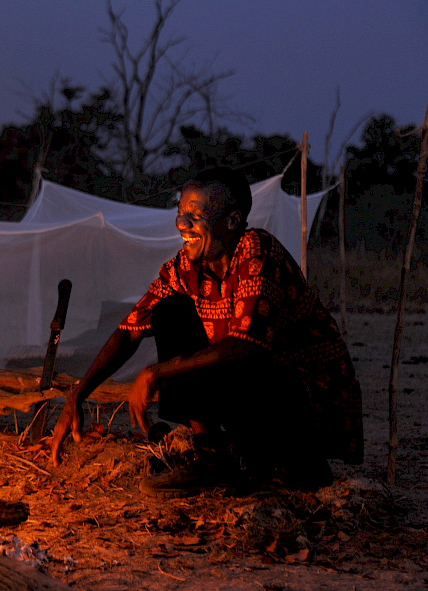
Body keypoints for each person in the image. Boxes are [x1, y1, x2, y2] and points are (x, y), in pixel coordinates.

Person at [49, 167, 363, 498]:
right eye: (180, 213)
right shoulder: (188, 267)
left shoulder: (257, 251)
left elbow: (246, 347)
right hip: (253, 393)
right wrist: (77, 395)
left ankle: (293, 463)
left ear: (231, 221)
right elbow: (130, 330)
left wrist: (157, 371)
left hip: (304, 400)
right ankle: (212, 456)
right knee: (170, 311)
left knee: (244, 361)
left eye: (194, 216)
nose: (181, 225)